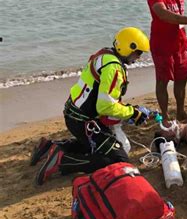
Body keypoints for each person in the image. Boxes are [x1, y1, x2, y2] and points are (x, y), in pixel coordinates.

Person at [32, 27, 153, 185]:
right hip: (84, 121)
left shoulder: (105, 54)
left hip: (74, 114)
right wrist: (133, 113)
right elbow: (105, 106)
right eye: (138, 52)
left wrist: (131, 111)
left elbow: (104, 99)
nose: (138, 57)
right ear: (127, 48)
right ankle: (63, 161)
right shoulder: (114, 68)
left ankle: (51, 147)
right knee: (117, 159)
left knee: (95, 146)